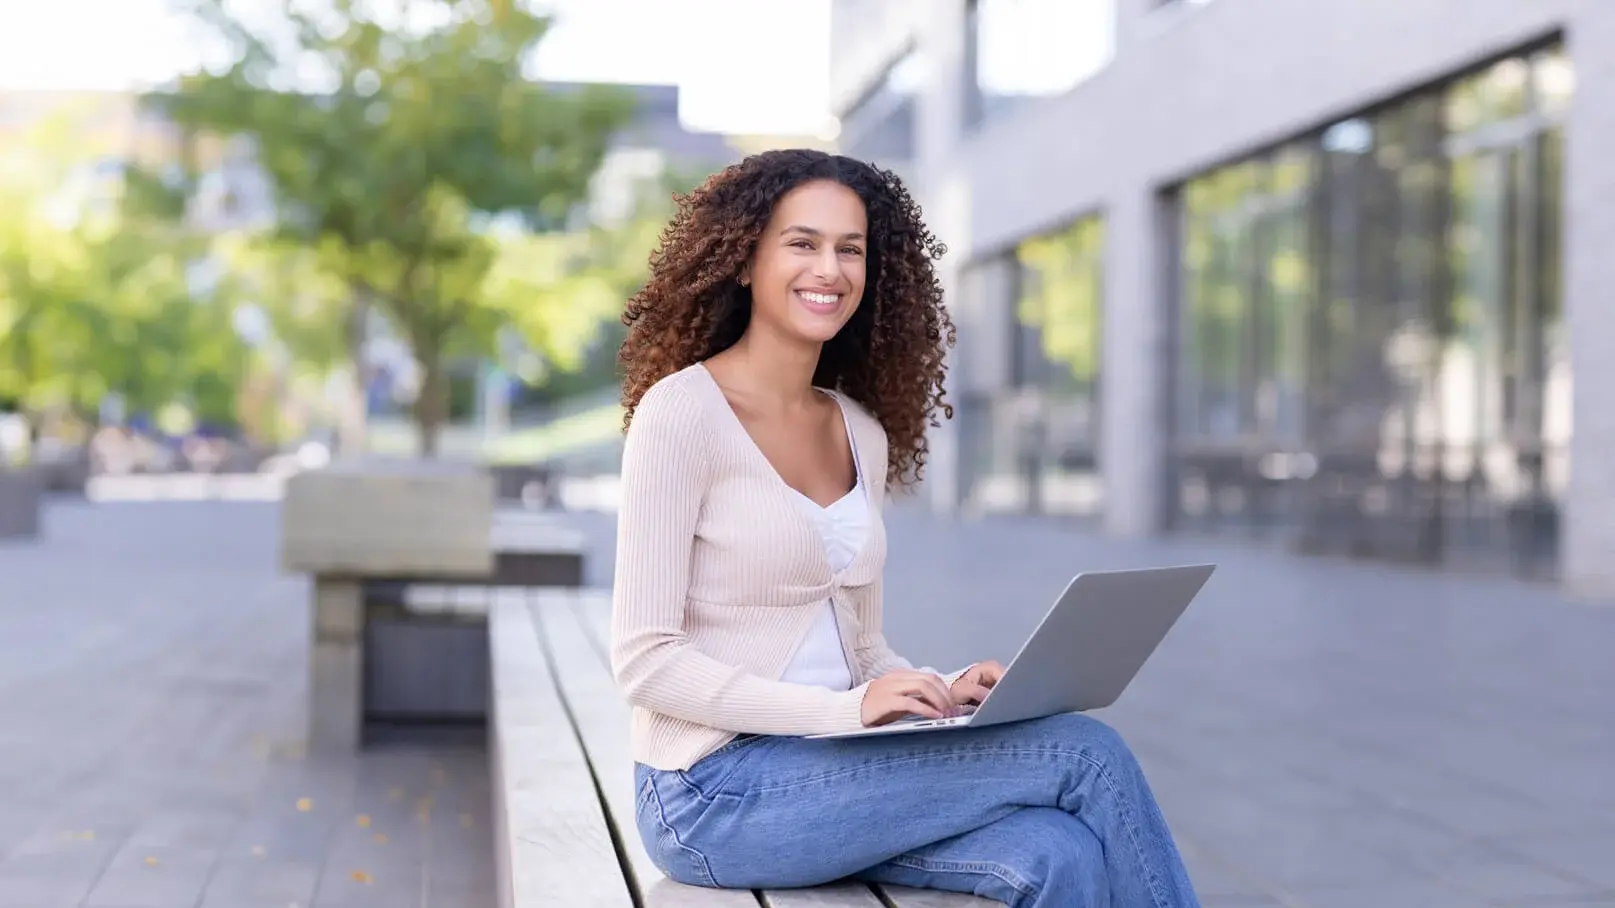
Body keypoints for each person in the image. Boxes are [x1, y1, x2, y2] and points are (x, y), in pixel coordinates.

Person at [610, 148, 1201, 908]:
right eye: (802, 243)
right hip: (713, 792)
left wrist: (944, 690)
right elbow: (645, 661)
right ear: (744, 258)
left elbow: (860, 649)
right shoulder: (681, 414)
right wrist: (841, 713)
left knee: (1058, 853)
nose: (829, 268)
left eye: (849, 249)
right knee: (1083, 753)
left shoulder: (859, 430)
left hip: (836, 765)